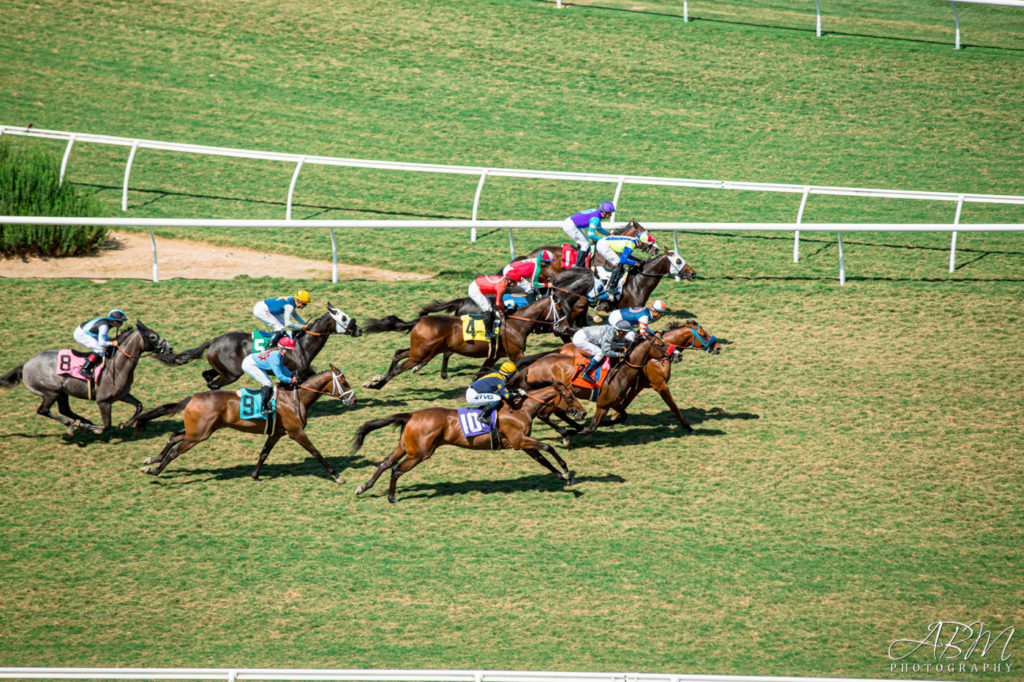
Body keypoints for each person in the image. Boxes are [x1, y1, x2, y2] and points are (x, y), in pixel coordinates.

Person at [241, 336, 297, 417]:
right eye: (289, 349)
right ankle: (263, 408)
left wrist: (291, 375)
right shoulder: (276, 357)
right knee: (267, 383)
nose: (291, 351)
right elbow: (280, 376)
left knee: (268, 382)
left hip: (252, 361)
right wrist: (291, 380)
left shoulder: (278, 354)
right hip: (249, 364)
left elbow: (282, 367)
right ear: (283, 349)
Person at [595, 230, 657, 294]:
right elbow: (623, 260)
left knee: (618, 263)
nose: (646, 247)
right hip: (603, 245)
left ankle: (614, 281)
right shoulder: (631, 245)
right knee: (618, 262)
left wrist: (636, 259)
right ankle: (610, 286)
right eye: (646, 245)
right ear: (641, 243)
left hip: (604, 243)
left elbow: (626, 254)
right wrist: (635, 263)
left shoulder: (633, 242)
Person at [73, 309, 128, 379]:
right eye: (120, 322)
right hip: (81, 334)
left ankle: (96, 363)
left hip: (87, 332)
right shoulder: (104, 326)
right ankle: (85, 369)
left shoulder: (108, 323)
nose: (121, 324)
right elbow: (102, 343)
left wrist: (110, 339)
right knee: (99, 349)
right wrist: (112, 343)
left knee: (103, 348)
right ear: (114, 321)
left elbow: (102, 336)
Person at [467, 273, 514, 339]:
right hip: (475, 289)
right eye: (514, 282)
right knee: (488, 309)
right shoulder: (502, 286)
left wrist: (503, 308)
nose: (514, 285)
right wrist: (504, 310)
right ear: (509, 280)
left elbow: (500, 301)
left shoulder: (503, 280)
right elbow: (498, 303)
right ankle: (487, 333)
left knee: (490, 308)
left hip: (478, 286)